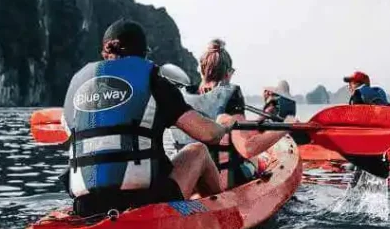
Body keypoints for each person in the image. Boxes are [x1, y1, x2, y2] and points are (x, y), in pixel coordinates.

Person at [63, 20, 236, 217]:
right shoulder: (153, 81)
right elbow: (208, 134)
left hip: (86, 205)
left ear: (105, 53)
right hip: (144, 202)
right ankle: (222, 215)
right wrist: (225, 126)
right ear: (144, 53)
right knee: (198, 151)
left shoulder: (77, 86)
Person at [172, 39, 294, 188]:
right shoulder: (230, 94)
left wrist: (261, 119)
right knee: (255, 159)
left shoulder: (179, 96)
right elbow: (247, 148)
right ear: (227, 73)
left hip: (188, 184)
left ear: (202, 70)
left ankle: (268, 112)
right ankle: (272, 112)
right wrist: (286, 127)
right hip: (223, 184)